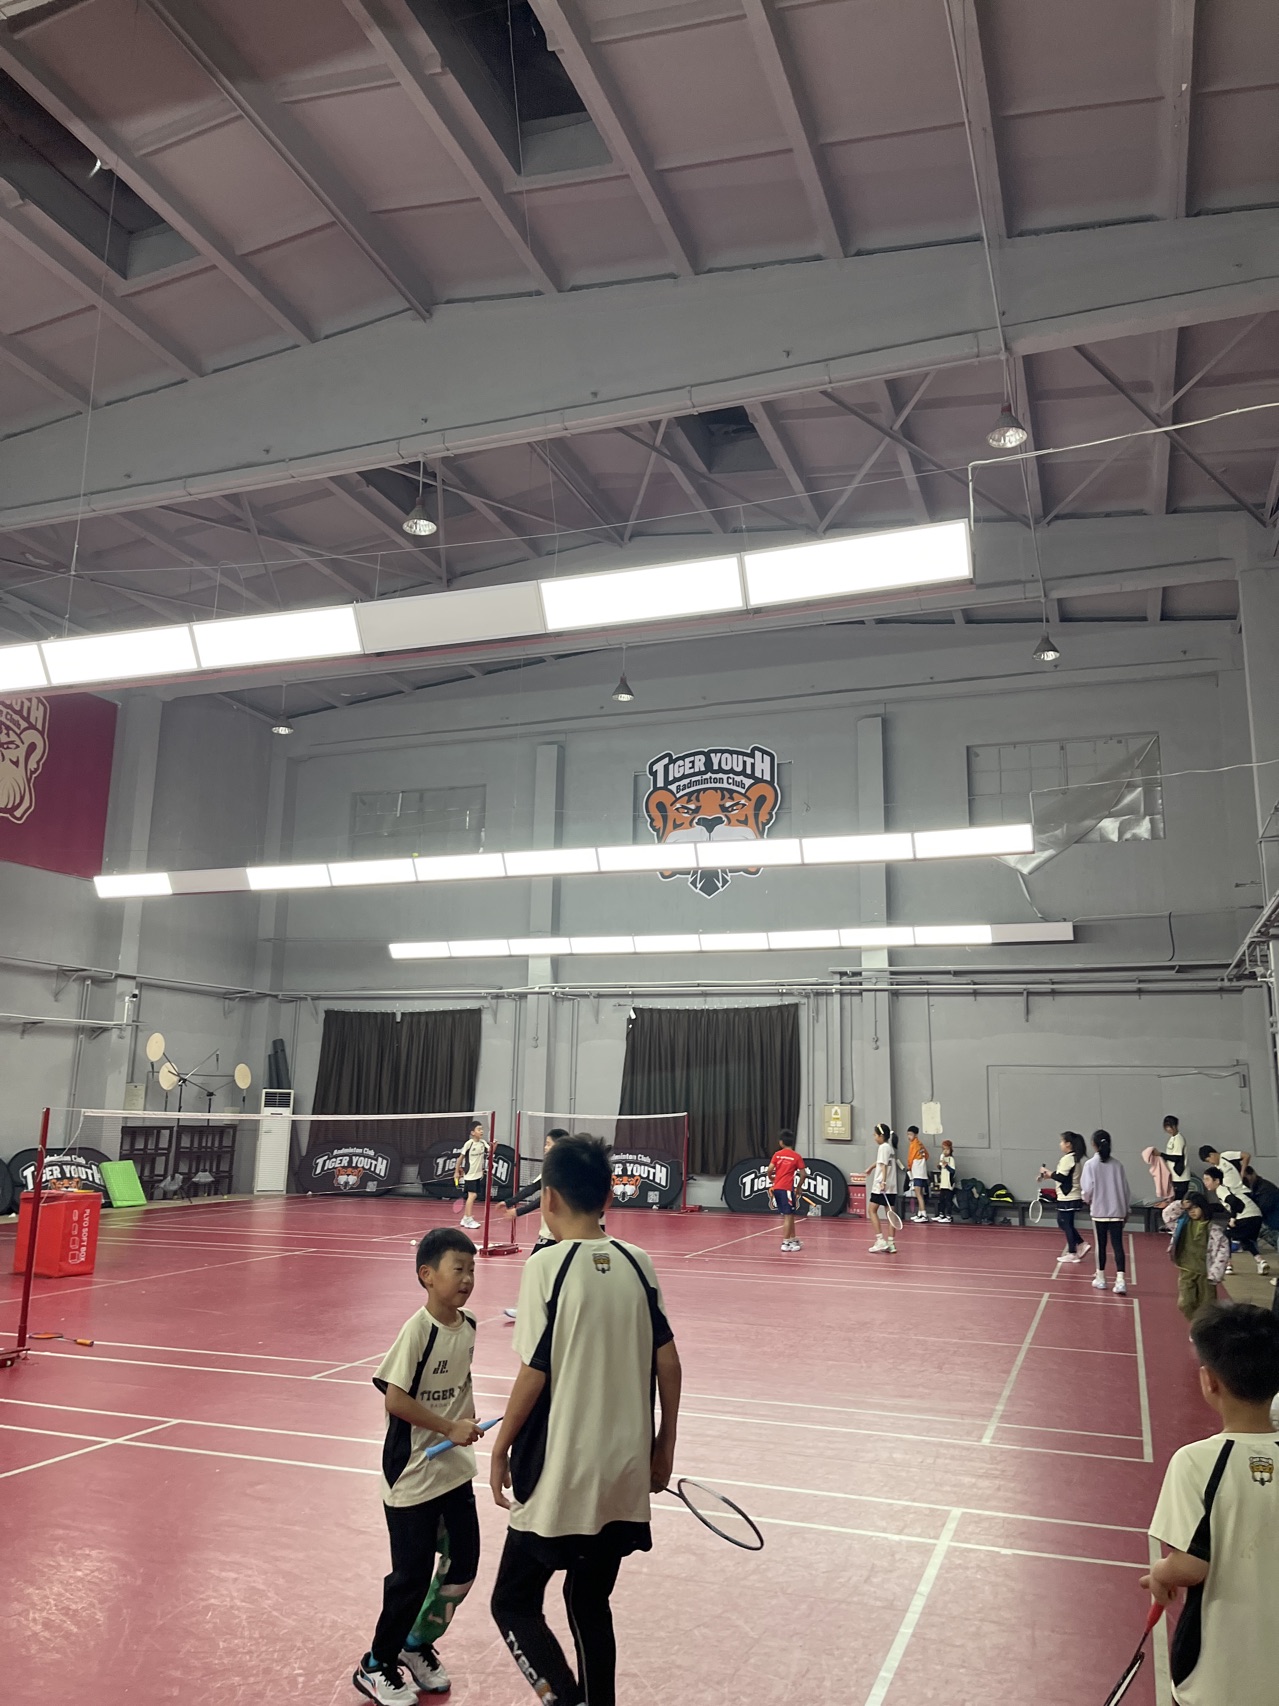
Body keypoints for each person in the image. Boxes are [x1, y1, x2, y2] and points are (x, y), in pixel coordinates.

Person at [489, 1134, 682, 1706]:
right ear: (607, 1198)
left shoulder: (546, 1265)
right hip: (624, 1472)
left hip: (561, 1475)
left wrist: (500, 1448)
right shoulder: (638, 1262)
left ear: (548, 1198)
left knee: (513, 1602)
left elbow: (534, 1372)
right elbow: (669, 1363)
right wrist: (663, 1447)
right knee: (590, 1602)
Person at [353, 1227, 483, 1706]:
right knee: (409, 1578)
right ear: (427, 1275)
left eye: (472, 1269)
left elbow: (460, 1387)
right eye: (458, 1269)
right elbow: (395, 1399)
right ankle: (376, 1664)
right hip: (412, 1472)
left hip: (454, 1471)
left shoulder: (469, 1326)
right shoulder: (418, 1331)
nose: (467, 1278)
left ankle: (415, 1642)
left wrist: (466, 1428)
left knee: (463, 1566)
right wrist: (447, 1427)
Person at [1142, 1302, 1279, 1706]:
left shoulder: (1195, 1462)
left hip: (1217, 1677)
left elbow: (1189, 1566)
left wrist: (1161, 1572)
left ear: (1209, 1381)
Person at [502, 1128, 569, 1320]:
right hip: (550, 1230)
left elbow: (542, 1199)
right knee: (547, 1271)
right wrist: (509, 1202)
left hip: (555, 1231)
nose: (545, 1147)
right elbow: (532, 1187)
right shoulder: (550, 1167)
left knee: (535, 1268)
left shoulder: (563, 1171)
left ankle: (528, 1309)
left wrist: (518, 1211)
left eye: (548, 1144)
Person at [1165, 1192, 1230, 1321]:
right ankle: (1196, 1323)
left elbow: (1223, 1250)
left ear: (1203, 1207)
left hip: (1206, 1274)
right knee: (1185, 1303)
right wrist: (1181, 1204)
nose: (1192, 1212)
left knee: (1207, 1306)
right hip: (1186, 1270)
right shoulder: (1182, 1224)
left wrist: (1216, 1272)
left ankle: (1204, 1326)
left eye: (1195, 1207)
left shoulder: (1213, 1229)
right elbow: (1167, 1215)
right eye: (1189, 1209)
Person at [1080, 1129, 1131, 1295]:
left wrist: (1087, 1200)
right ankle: (1121, 1281)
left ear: (1093, 1145)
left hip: (1099, 1211)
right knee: (1118, 1246)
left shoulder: (1090, 1165)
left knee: (1101, 1245)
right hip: (1117, 1211)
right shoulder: (1118, 1165)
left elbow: (1087, 1190)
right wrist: (1126, 1209)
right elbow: (1125, 1190)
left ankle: (1101, 1278)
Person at [1202, 1165, 1270, 1276]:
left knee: (1225, 1235)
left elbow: (1236, 1204)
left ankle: (1228, 1265)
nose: (1205, 1183)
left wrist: (1232, 1218)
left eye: (1207, 1179)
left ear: (1217, 1181)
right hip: (1257, 1216)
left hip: (1246, 1216)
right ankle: (1261, 1261)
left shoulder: (1221, 1189)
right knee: (1244, 1240)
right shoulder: (1227, 1189)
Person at [1040, 1131, 1090, 1263]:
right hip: (1071, 1195)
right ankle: (1080, 1244)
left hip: (1068, 1197)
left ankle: (1073, 1252)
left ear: (1068, 1144)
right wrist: (1049, 1175)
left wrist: (1048, 1172)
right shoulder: (1073, 1158)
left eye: (1062, 1141)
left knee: (1065, 1223)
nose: (1060, 1144)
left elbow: (1061, 1177)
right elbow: (1064, 1176)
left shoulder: (1068, 1159)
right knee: (1065, 1223)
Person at [768, 1128, 806, 1252]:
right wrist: (799, 1187)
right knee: (788, 1216)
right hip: (787, 1189)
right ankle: (785, 1242)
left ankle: (793, 1238)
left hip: (777, 1188)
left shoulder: (777, 1155)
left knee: (790, 1214)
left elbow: (769, 1170)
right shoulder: (796, 1156)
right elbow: (803, 1174)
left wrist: (771, 1178)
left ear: (781, 1142)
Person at [868, 1122, 898, 1255]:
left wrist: (883, 1182)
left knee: (871, 1210)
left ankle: (880, 1240)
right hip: (892, 1186)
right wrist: (870, 1168)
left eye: (875, 1135)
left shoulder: (882, 1147)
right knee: (890, 1213)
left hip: (881, 1186)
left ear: (881, 1136)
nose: (874, 1137)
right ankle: (891, 1243)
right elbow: (881, 1162)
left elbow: (884, 1165)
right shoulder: (889, 1148)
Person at [454, 1118, 489, 1229]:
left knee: (473, 1195)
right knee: (472, 1195)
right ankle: (468, 1219)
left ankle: (465, 1218)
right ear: (472, 1132)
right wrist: (456, 1171)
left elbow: (491, 1151)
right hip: (470, 1174)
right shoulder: (469, 1144)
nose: (481, 1131)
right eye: (479, 1129)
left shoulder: (483, 1143)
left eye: (482, 1129)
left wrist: (495, 1145)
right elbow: (460, 1158)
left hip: (478, 1174)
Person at [1160, 1115, 1191, 1201]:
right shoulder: (1172, 1139)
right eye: (1166, 1127)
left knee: (1178, 1201)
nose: (1169, 1129)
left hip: (1180, 1177)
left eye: (1170, 1126)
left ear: (1175, 1126)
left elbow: (1176, 1157)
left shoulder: (1179, 1139)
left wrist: (1161, 1154)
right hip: (1174, 1176)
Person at [907, 1127, 930, 1223]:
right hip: (922, 1171)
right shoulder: (920, 1144)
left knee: (918, 1193)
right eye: (908, 1134)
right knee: (920, 1193)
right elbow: (927, 1155)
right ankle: (920, 1213)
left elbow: (911, 1157)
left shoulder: (914, 1144)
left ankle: (924, 1214)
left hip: (917, 1172)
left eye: (910, 1134)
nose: (909, 1136)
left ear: (915, 1135)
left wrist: (909, 1166)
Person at [934, 1139, 957, 1223]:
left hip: (948, 1183)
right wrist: (939, 1166)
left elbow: (952, 1171)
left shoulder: (951, 1159)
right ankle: (941, 1214)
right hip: (943, 1182)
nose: (945, 1151)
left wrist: (946, 1165)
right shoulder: (943, 1157)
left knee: (948, 1200)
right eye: (943, 1149)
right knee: (941, 1199)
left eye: (947, 1149)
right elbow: (942, 1169)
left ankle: (948, 1216)